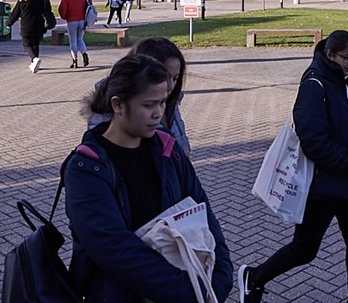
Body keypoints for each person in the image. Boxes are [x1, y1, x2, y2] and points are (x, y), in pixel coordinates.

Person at [65, 55, 233, 302]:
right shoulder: (86, 168)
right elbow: (112, 247)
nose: (158, 113)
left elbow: (202, 211)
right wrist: (190, 292)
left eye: (163, 102)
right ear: (118, 105)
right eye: (148, 105)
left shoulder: (169, 149)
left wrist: (220, 277)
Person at [239, 30, 348, 303]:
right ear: (330, 55)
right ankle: (253, 277)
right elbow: (314, 141)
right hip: (321, 185)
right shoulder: (314, 85)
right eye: (347, 58)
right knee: (305, 249)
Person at [87, 37, 191, 154]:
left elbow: (181, 147)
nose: (170, 86)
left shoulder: (171, 102)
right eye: (164, 77)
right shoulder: (108, 120)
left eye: (175, 78)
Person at [7, 0, 51, 74]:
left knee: (27, 44)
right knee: (36, 44)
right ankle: (34, 63)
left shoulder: (22, 1)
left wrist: (9, 23)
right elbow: (48, 10)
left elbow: (15, 14)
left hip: (26, 26)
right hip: (39, 25)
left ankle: (34, 59)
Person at [57, 0, 92, 69]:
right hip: (82, 20)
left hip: (71, 21)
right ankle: (84, 55)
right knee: (80, 39)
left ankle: (75, 61)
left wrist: (64, 17)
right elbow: (89, 5)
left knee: (73, 41)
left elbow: (62, 10)